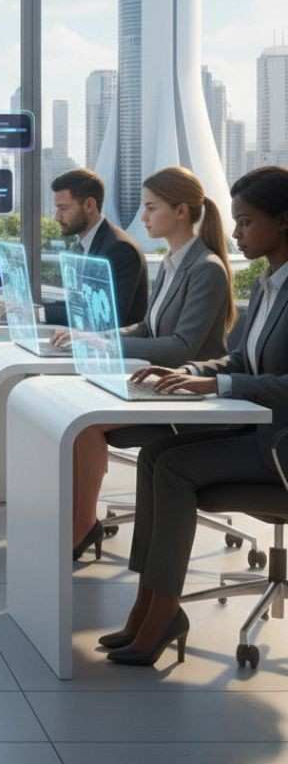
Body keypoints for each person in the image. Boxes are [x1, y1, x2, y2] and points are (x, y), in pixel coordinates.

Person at [99, 166, 288, 667]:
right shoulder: (270, 282)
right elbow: (241, 358)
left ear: (283, 222)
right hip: (260, 432)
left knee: (175, 466)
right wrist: (190, 370)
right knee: (157, 455)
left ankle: (161, 612)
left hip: (279, 445)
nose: (236, 234)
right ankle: (150, 605)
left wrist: (219, 384)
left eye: (246, 222)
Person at [65, 167, 235, 559]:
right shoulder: (173, 261)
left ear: (180, 211)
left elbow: (181, 348)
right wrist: (101, 338)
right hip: (160, 382)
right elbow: (149, 325)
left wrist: (107, 349)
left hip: (188, 390)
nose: (143, 217)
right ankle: (78, 519)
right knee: (75, 413)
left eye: (150, 208)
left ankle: (83, 525)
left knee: (86, 423)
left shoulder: (207, 269)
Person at [43, 168, 148, 329]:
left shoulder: (120, 249)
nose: (57, 217)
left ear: (89, 205)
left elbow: (107, 317)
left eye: (63, 208)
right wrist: (35, 310)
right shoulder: (81, 246)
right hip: (90, 342)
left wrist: (40, 314)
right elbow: (79, 305)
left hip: (115, 350)